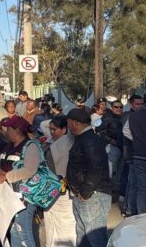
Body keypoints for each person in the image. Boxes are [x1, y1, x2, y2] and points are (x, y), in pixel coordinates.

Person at [66, 108, 112, 247]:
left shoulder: (89, 140)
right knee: (83, 237)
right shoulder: (84, 139)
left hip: (93, 195)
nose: (68, 128)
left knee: (94, 239)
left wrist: (85, 192)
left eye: (68, 124)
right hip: (85, 194)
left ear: (75, 123)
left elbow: (95, 167)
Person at [0, 116, 40, 247]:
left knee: (23, 233)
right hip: (10, 196)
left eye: (9, 129)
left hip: (24, 198)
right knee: (14, 231)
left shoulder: (31, 146)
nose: (6, 131)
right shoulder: (9, 145)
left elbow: (30, 170)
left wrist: (7, 176)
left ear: (17, 130)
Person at [43, 116, 76, 247]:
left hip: (64, 191)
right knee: (50, 223)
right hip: (50, 189)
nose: (51, 132)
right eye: (50, 129)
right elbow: (43, 125)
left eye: (54, 129)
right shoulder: (51, 142)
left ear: (64, 129)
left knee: (65, 225)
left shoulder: (68, 143)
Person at [121, 94, 144, 216]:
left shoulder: (134, 117)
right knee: (135, 184)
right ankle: (131, 210)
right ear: (131, 104)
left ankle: (132, 210)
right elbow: (125, 132)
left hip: (137, 153)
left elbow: (126, 132)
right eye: (137, 104)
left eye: (141, 104)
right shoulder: (129, 116)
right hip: (133, 154)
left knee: (137, 185)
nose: (139, 106)